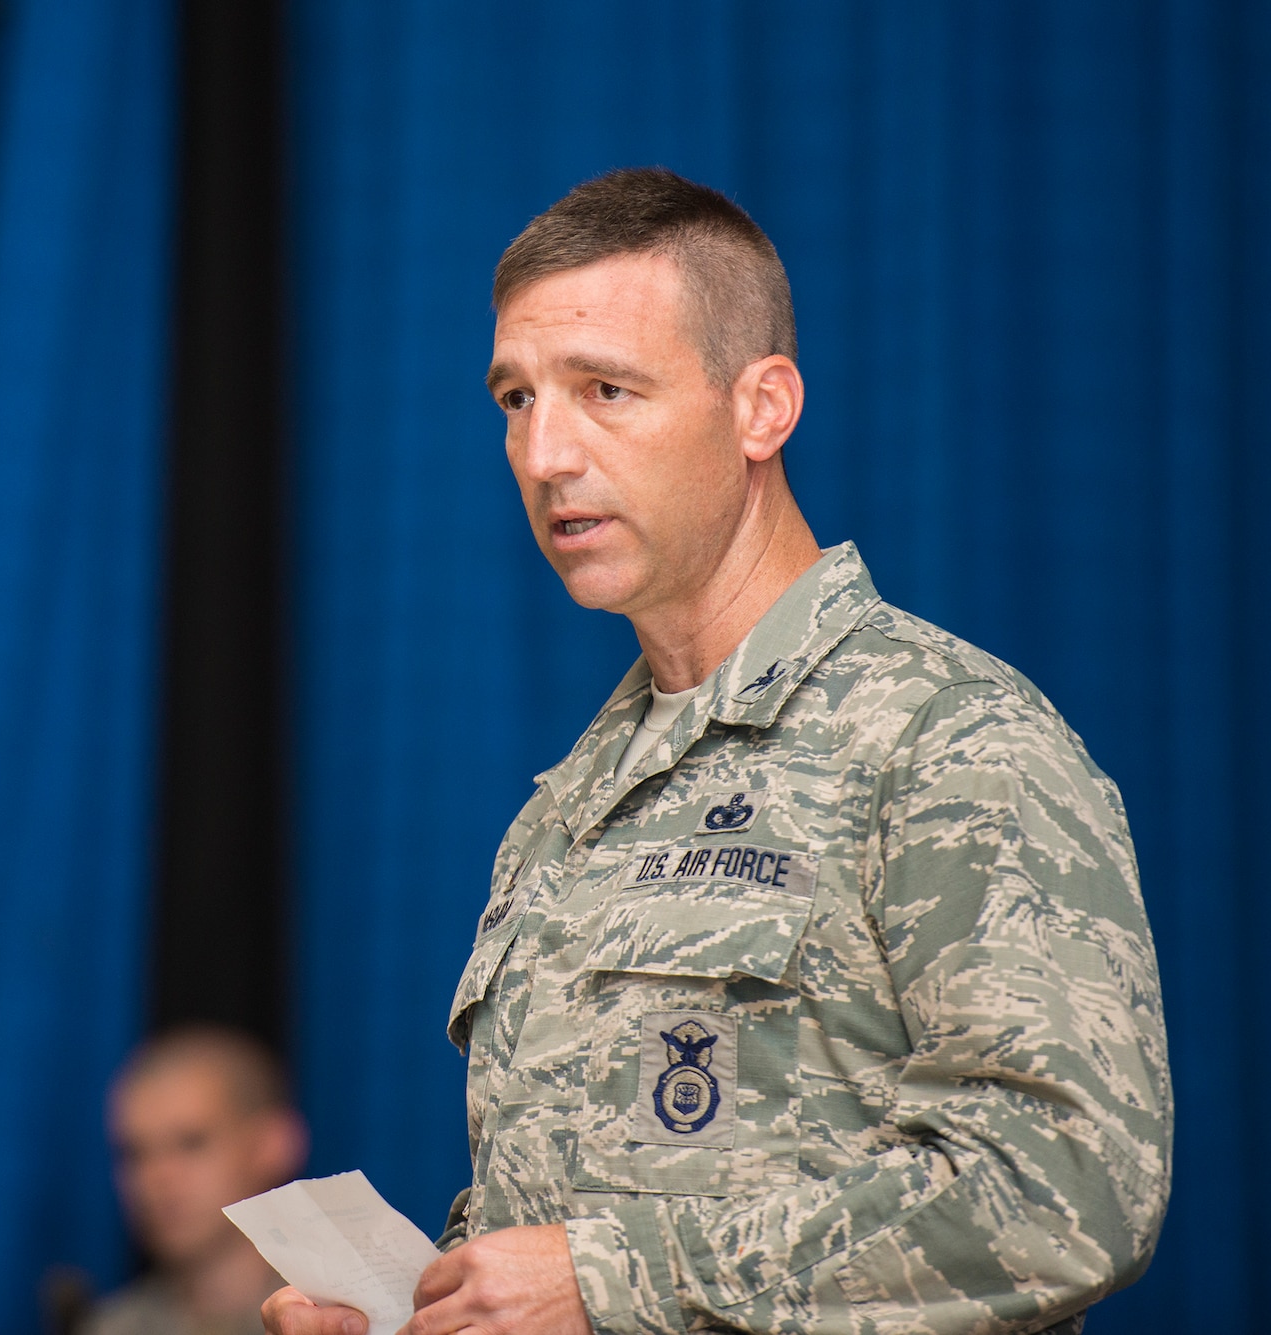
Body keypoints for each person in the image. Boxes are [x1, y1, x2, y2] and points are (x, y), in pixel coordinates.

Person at [265, 167, 1170, 1335]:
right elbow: (583, 1208)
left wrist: (610, 1283)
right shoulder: (570, 804)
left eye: (604, 390)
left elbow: (1065, 1190)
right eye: (515, 400)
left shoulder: (946, 739)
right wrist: (430, 1307)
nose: (543, 454)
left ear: (761, 409)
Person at [83, 1027, 308, 1335]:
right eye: (135, 1153)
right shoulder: (112, 1327)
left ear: (272, 1145)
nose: (156, 1177)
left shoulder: (341, 1317)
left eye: (191, 1143)